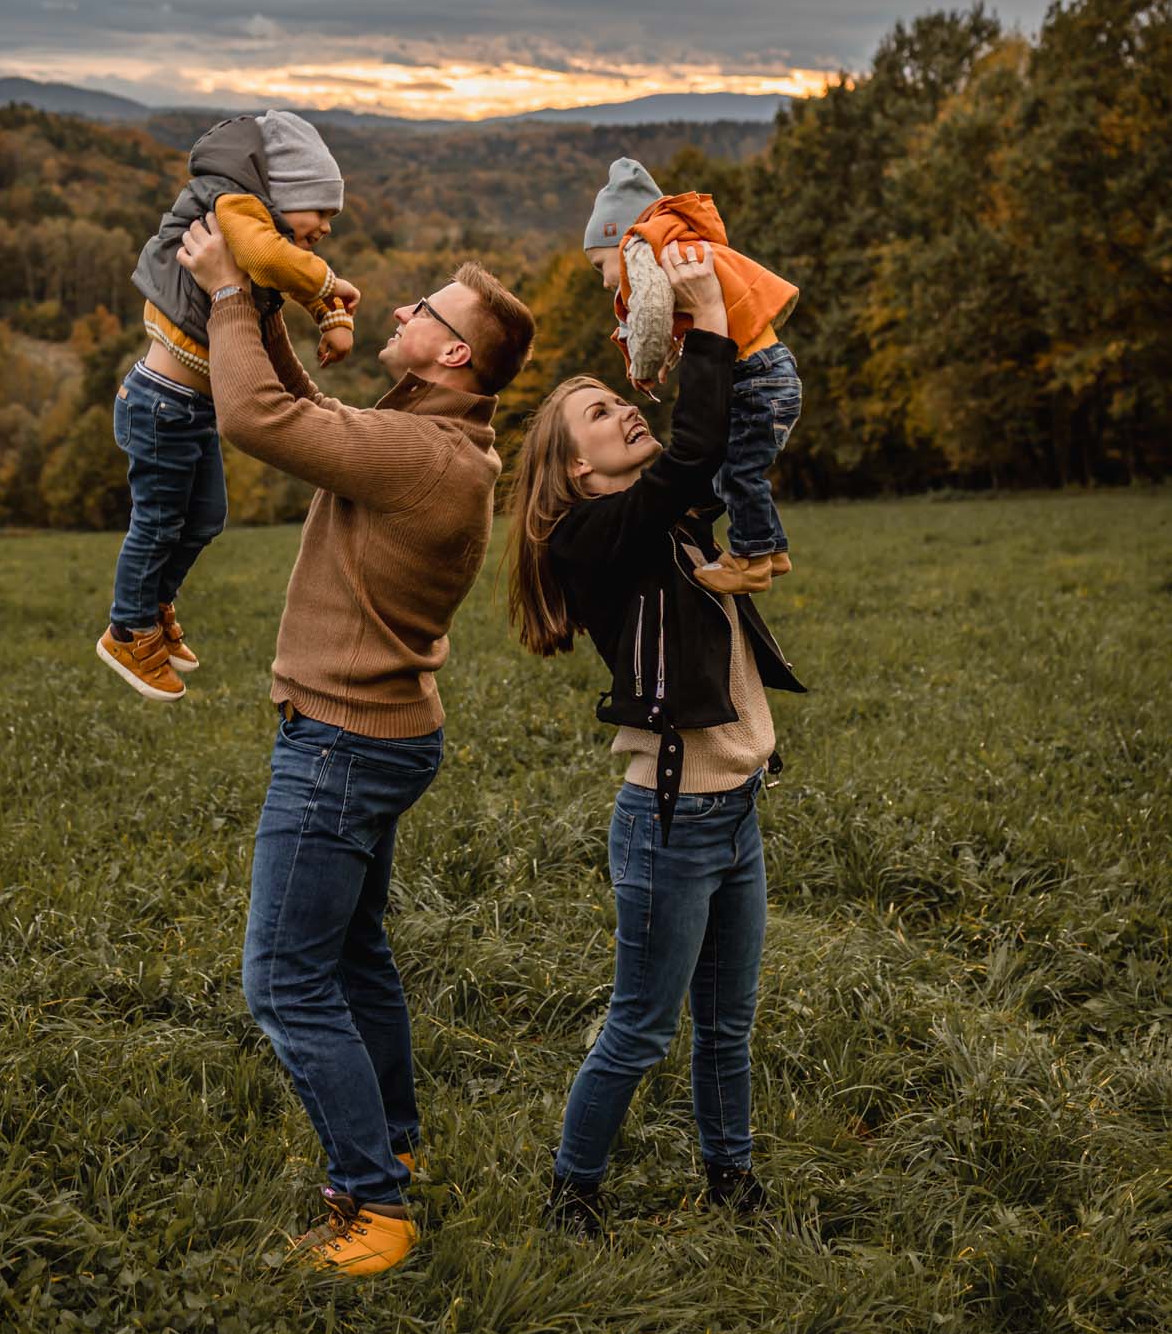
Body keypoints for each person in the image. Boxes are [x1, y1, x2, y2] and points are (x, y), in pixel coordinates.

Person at [179, 212, 535, 1277]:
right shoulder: (433, 438)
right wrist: (270, 307)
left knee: (285, 983)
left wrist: (227, 293)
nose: (402, 307)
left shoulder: (422, 454)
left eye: (424, 309)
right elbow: (310, 413)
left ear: (453, 355)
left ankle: (373, 1208)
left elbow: (256, 417)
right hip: (378, 734)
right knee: (352, 955)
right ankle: (397, 1143)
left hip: (340, 742)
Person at [507, 241, 804, 1235]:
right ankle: (572, 1192)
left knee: (726, 1023)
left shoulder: (662, 521)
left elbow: (719, 452)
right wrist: (708, 318)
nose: (623, 412)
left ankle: (732, 1181)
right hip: (670, 823)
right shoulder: (591, 535)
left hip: (733, 812)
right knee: (639, 1028)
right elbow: (690, 449)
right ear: (573, 468)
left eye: (616, 400)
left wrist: (704, 332)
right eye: (599, 414)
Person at [97, 110, 361, 701]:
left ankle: (154, 604)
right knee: (158, 522)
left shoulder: (262, 234)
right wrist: (325, 286)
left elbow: (280, 279)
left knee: (206, 518)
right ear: (283, 193)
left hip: (192, 411)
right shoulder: (236, 208)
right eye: (320, 211)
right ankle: (128, 630)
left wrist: (332, 316)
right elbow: (273, 262)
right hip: (160, 404)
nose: (325, 227)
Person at [582, 157, 803, 595]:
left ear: (620, 239)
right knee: (738, 466)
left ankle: (751, 561)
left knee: (736, 472)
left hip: (756, 375)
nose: (606, 282)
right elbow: (677, 321)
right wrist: (669, 357)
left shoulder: (642, 247)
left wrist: (644, 363)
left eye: (599, 265)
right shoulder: (675, 246)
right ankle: (771, 548)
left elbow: (650, 313)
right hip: (767, 370)